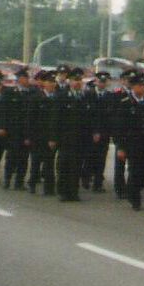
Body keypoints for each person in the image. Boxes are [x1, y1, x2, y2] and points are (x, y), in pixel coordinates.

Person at [50, 68, 97, 202]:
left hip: (81, 138)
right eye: (75, 80)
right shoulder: (62, 96)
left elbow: (91, 117)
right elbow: (55, 118)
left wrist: (93, 133)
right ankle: (63, 191)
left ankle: (73, 192)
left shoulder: (86, 96)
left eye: (79, 80)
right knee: (64, 165)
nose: (77, 83)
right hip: (65, 138)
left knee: (76, 165)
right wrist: (53, 138)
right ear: (69, 81)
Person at [114, 73, 144, 211]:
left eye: (143, 85)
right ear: (133, 86)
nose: (142, 88)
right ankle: (134, 198)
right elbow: (120, 127)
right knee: (135, 170)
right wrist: (120, 147)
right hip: (131, 143)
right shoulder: (126, 103)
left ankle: (133, 191)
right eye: (139, 85)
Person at [26, 72, 59, 196]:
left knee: (49, 163)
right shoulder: (36, 98)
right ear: (44, 83)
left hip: (51, 136)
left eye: (53, 82)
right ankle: (32, 183)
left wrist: (54, 137)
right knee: (36, 161)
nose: (52, 84)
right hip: (38, 136)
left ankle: (49, 189)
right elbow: (30, 119)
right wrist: (29, 136)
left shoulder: (57, 98)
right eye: (50, 82)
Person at [83, 71, 115, 193]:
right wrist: (93, 131)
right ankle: (85, 178)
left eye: (104, 81)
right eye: (100, 81)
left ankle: (97, 183)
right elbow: (87, 116)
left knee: (101, 158)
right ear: (96, 81)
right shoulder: (88, 95)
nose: (102, 84)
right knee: (89, 157)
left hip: (104, 133)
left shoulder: (110, 96)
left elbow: (110, 116)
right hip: (89, 133)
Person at [3, 70, 33, 190]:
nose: (23, 80)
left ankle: (19, 182)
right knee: (11, 157)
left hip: (26, 131)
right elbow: (4, 112)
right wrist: (3, 127)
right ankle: (7, 179)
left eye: (25, 78)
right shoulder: (10, 93)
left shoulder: (32, 93)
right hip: (13, 131)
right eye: (21, 78)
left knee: (23, 158)